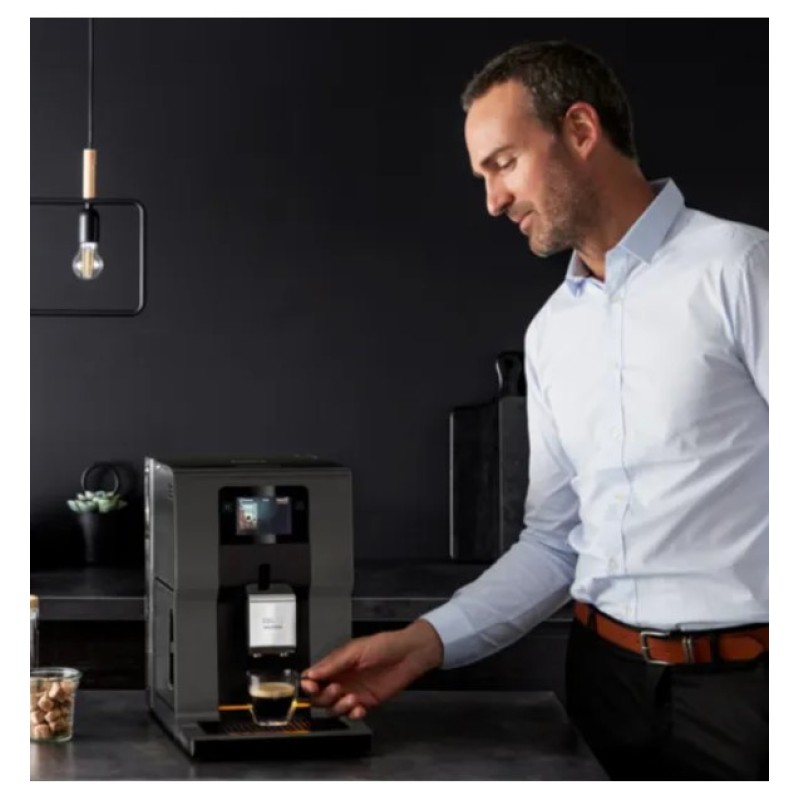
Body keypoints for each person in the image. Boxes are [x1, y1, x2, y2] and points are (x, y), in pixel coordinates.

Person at [301, 40, 768, 781]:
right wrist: (422, 644)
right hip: (601, 687)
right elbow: (555, 543)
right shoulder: (550, 332)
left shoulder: (745, 270)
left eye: (504, 163)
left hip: (750, 699)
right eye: (484, 176)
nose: (493, 200)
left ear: (580, 130)